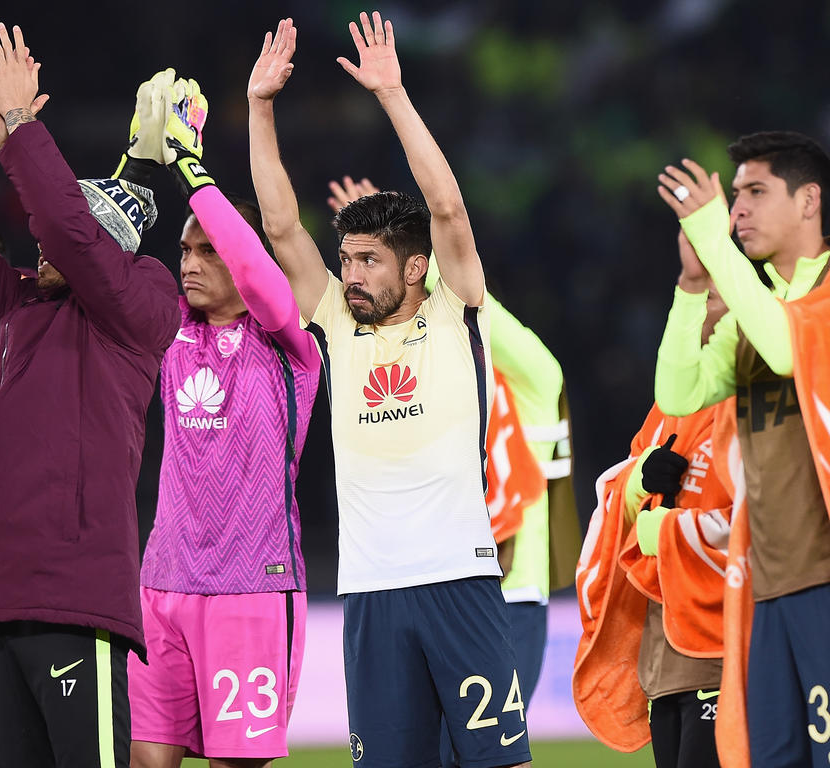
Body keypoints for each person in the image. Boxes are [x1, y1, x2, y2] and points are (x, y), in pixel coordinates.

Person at [248, 14, 531, 768]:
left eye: (369, 260)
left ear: (414, 269)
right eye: (346, 259)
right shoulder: (338, 321)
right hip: (370, 592)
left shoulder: (452, 308)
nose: (351, 275)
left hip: (460, 581)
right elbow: (280, 226)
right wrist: (259, 107)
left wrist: (394, 94)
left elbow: (446, 211)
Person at [0, 24, 179, 767]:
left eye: (61, 239)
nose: (39, 247)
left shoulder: (142, 304)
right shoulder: (18, 304)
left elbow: (64, 224)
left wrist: (27, 122)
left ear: (106, 246)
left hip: (75, 601)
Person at [655, 132, 830, 766]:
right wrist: (692, 289)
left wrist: (716, 244)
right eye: (734, 195)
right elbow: (680, 392)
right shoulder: (753, 300)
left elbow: (789, 348)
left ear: (808, 201)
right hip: (766, 586)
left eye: (755, 192)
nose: (737, 209)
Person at [120, 72, 320, 768]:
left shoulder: (289, 345)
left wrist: (192, 166)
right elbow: (96, 260)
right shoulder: (169, 328)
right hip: (163, 581)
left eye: (208, 251)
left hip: (252, 588)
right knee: (147, 761)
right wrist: (141, 164)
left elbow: (260, 271)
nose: (190, 263)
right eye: (183, 250)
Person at [326, 174, 577, 719]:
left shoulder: (528, 392)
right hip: (425, 580)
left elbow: (488, 320)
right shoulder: (417, 369)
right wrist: (385, 253)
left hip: (512, 595)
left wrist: (416, 254)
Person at [574, 254, 734, 768]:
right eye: (687, 297)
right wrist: (639, 479)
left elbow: (767, 515)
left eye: (709, 296)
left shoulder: (753, 393)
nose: (696, 311)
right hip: (664, 648)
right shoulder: (671, 399)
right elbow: (618, 487)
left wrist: (664, 528)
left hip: (723, 642)